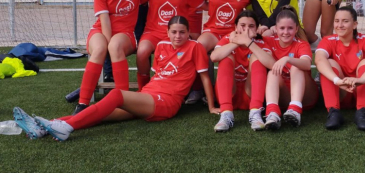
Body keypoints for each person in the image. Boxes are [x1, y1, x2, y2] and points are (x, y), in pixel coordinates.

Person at [13, 16, 220, 141]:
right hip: (148, 96)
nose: (177, 36)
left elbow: (204, 79)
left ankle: (66, 128)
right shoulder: (163, 46)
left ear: (188, 33)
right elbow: (158, 77)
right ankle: (45, 128)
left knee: (117, 95)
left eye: (182, 32)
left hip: (166, 102)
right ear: (167, 32)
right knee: (101, 114)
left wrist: (211, 106)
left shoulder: (195, 48)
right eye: (173, 32)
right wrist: (143, 93)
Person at [74, 0, 148, 115]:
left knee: (115, 46)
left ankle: (123, 101)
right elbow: (104, 19)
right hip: (100, 29)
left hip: (126, 34)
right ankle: (83, 103)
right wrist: (107, 43)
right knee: (101, 48)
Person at [186, 0, 251, 104]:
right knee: (199, 47)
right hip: (213, 31)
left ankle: (223, 90)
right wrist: (209, 8)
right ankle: (199, 90)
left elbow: (249, 15)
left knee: (228, 55)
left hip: (232, 33)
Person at [136, 0, 205, 90]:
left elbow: (201, 5)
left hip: (177, 34)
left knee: (195, 50)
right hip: (153, 31)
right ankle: (143, 88)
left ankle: (196, 90)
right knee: (142, 52)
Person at [315, 6, 365, 131]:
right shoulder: (328, 40)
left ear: (354, 24)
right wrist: (337, 81)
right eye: (337, 21)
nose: (340, 25)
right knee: (328, 63)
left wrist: (362, 79)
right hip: (343, 91)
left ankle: (362, 113)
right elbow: (319, 60)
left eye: (345, 21)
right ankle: (333, 112)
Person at [210, 11, 275, 132]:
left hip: (250, 94)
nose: (246, 30)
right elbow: (214, 57)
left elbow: (271, 64)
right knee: (226, 57)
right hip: (229, 93)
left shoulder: (261, 41)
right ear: (235, 27)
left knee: (258, 57)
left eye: (251, 26)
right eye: (243, 25)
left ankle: (255, 113)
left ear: (257, 28)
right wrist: (236, 42)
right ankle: (226, 114)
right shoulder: (228, 38)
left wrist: (248, 42)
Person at [261, 6, 319, 129]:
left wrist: (287, 59)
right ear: (275, 28)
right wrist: (266, 31)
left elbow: (307, 64)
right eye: (282, 28)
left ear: (296, 29)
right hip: (282, 94)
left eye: (290, 28)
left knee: (296, 67)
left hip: (305, 96)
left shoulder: (301, 44)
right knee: (272, 72)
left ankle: (295, 110)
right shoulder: (269, 41)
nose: (286, 32)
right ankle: (272, 113)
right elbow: (258, 38)